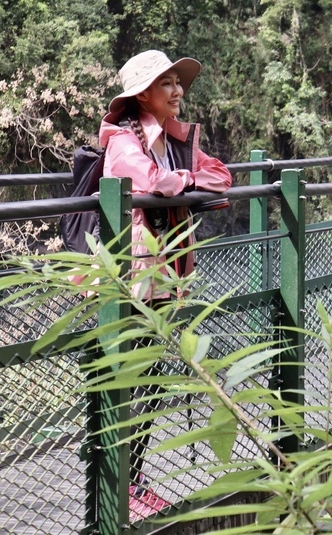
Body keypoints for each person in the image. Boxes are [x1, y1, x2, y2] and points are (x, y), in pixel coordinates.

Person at [100, 49, 232, 517]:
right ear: (143, 94)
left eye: (178, 82)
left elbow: (220, 175)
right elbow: (152, 182)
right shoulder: (121, 140)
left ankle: (131, 484)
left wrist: (188, 176)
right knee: (131, 379)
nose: (178, 92)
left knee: (151, 380)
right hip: (131, 279)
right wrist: (182, 180)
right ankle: (119, 489)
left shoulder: (175, 139)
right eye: (167, 84)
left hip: (166, 275)